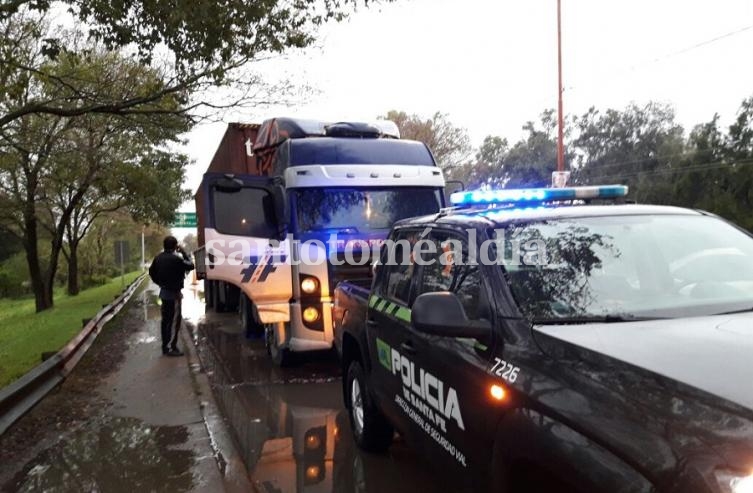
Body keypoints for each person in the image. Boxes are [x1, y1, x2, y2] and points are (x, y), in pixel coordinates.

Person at [148, 236, 194, 356]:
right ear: (175, 246)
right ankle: (171, 347)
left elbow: (151, 272)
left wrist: (159, 282)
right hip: (174, 294)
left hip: (164, 293)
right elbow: (191, 265)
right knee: (174, 321)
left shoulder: (158, 258)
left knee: (165, 321)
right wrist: (183, 252)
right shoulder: (176, 259)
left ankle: (165, 347)